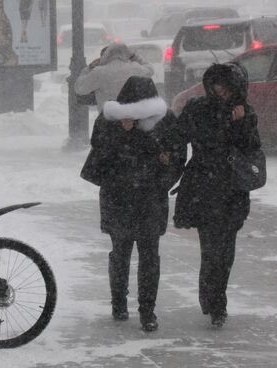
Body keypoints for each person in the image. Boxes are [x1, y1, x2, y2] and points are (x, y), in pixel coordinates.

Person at [167, 62, 261, 327]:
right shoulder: (198, 109)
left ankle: (216, 296)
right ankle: (213, 300)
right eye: (216, 86)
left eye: (226, 87)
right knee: (210, 249)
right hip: (204, 188)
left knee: (226, 251)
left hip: (232, 189)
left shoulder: (244, 112)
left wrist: (241, 123)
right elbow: (177, 136)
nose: (220, 91)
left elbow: (252, 148)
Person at [89, 76, 186, 332]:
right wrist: (122, 132)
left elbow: (175, 156)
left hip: (146, 196)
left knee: (143, 255)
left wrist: (162, 179)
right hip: (125, 196)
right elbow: (101, 154)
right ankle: (121, 303)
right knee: (129, 254)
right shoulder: (109, 121)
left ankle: (145, 309)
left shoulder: (164, 121)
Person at [75, 43, 154, 112]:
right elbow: (150, 69)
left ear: (104, 57)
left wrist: (90, 67)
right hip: (130, 119)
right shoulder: (135, 68)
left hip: (108, 118)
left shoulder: (100, 72)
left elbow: (80, 88)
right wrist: (134, 56)